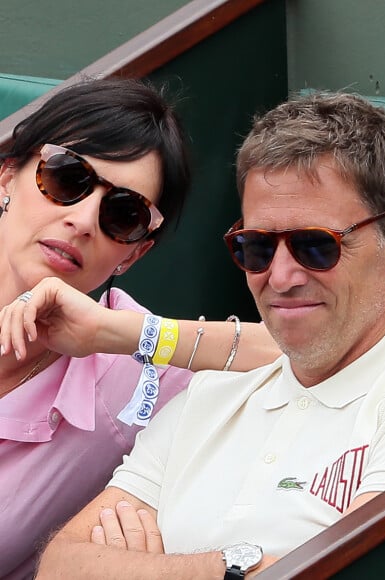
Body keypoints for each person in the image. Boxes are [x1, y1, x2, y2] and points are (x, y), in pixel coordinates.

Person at [27, 91, 385, 578]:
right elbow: (62, 565)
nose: (280, 276)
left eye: (316, 245)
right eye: (256, 247)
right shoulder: (209, 396)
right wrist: (232, 568)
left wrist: (149, 567)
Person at [0, 77, 279, 580]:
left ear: (135, 252)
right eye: (66, 179)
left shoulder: (131, 368)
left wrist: (122, 334)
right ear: (6, 176)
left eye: (123, 214)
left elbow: (309, 349)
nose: (83, 220)